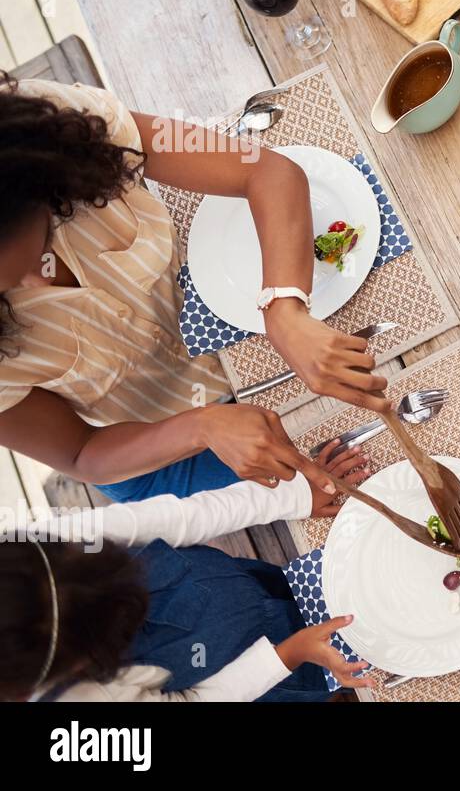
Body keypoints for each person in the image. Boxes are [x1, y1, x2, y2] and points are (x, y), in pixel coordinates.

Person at [0, 77, 391, 500]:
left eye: (38, 245)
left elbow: (266, 171)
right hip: (152, 441)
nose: (33, 283)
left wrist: (284, 307)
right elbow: (81, 455)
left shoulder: (41, 130)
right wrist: (202, 427)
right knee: (318, 492)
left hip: (230, 300)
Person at [0, 440, 373, 702]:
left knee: (311, 584)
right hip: (258, 666)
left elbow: (178, 517)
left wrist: (294, 496)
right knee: (370, 651)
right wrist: (289, 655)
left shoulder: (39, 548)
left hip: (227, 583)